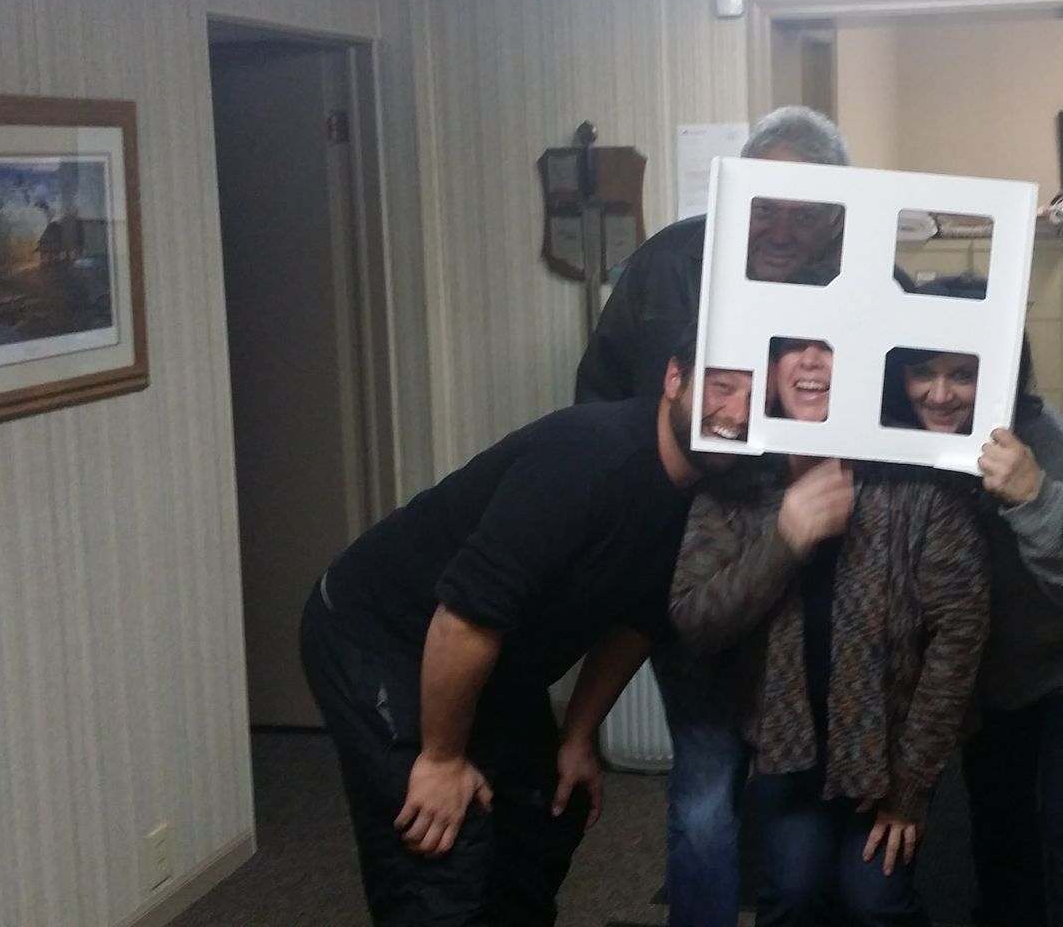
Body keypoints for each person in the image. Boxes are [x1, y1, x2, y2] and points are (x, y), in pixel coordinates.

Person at [298, 340, 745, 925]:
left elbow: (636, 624)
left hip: (492, 653)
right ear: (674, 378)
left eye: (755, 397)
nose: (737, 412)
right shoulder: (586, 460)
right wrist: (441, 759)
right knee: (443, 839)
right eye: (722, 385)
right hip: (384, 633)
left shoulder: (710, 496)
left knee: (547, 808)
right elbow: (465, 617)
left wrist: (578, 735)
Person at [574, 106, 853, 927]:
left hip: (817, 569)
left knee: (801, 778)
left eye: (806, 212)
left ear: (837, 215)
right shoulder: (665, 265)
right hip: (689, 560)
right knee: (703, 782)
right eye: (767, 205)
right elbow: (602, 397)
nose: (782, 229)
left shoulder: (867, 276)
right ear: (737, 192)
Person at [667, 336, 990, 927]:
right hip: (786, 748)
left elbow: (960, 636)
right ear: (771, 367)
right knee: (794, 892)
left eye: (832, 345)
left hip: (890, 750)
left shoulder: (915, 471)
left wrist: (911, 783)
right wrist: (784, 540)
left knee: (875, 901)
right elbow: (695, 622)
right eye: (796, 345)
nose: (813, 360)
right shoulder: (738, 477)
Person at [884, 276, 1063, 927]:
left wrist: (1033, 497)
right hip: (1004, 668)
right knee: (999, 814)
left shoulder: (1033, 432)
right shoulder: (895, 440)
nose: (939, 393)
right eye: (923, 371)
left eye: (963, 373)